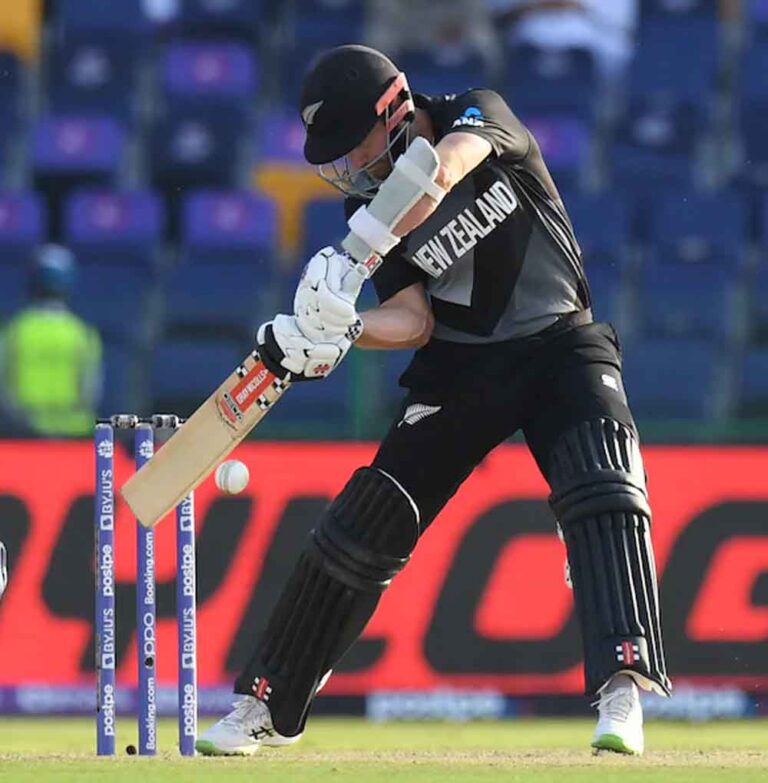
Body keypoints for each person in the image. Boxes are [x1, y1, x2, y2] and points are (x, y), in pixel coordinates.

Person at [196, 44, 670, 757]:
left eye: (354, 146)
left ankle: (622, 686)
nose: (349, 168)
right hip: (462, 370)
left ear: (394, 110)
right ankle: (264, 702)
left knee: (603, 485)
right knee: (364, 524)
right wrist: (345, 329)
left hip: (560, 342)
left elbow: (442, 170)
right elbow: (413, 320)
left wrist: (350, 255)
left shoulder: (477, 113)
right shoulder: (368, 206)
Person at [0, 244, 102, 437]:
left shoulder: (14, 331)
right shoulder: (83, 333)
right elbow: (90, 395)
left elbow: (4, 391)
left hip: (23, 434)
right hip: (73, 435)